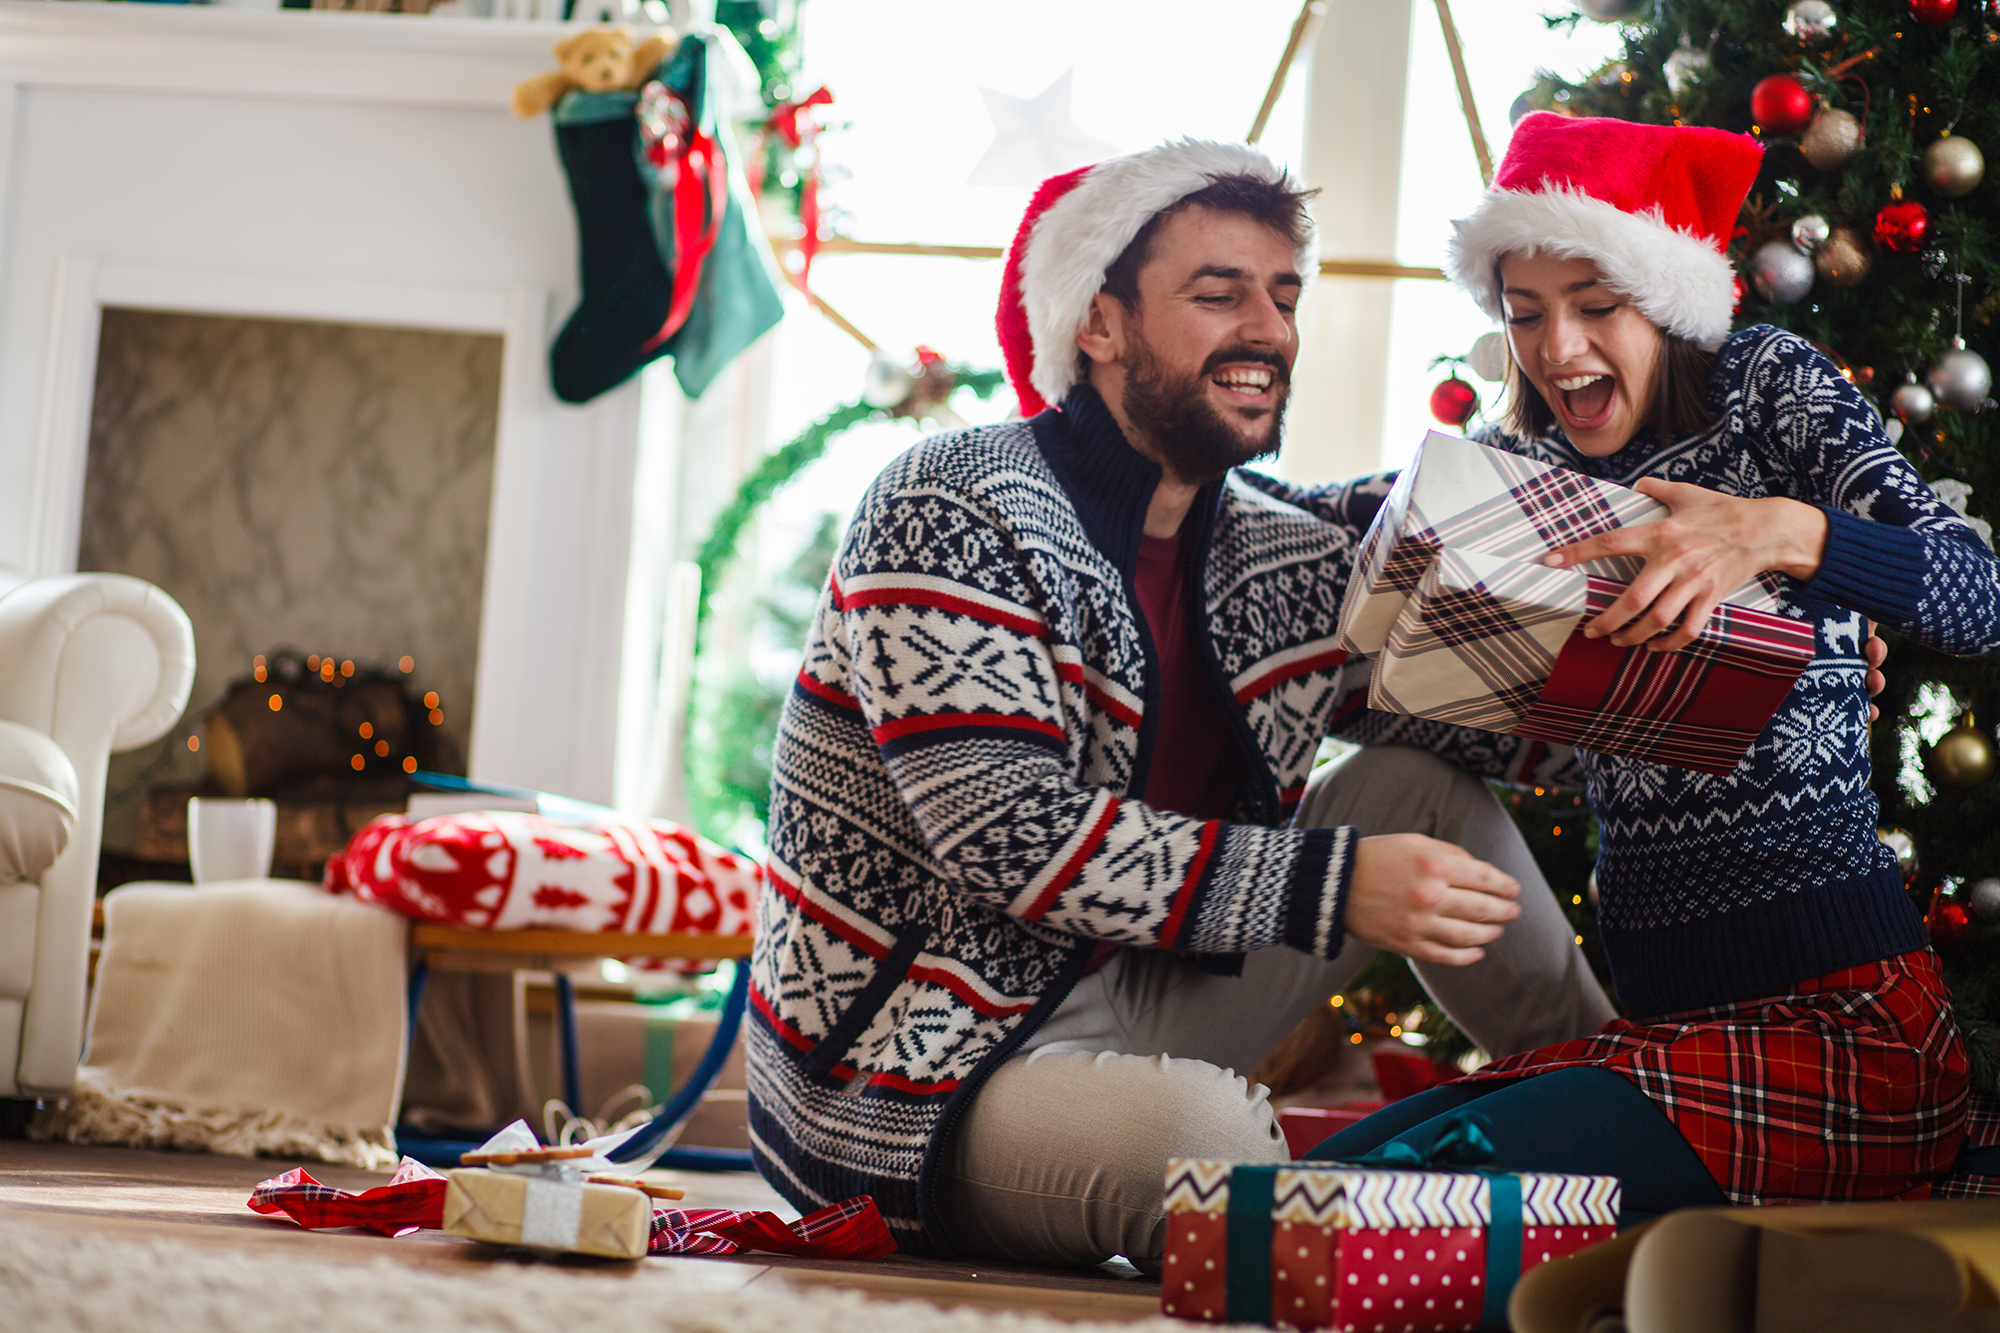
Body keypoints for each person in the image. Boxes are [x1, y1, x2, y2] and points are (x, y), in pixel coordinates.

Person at [745, 140, 1622, 1266]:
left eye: (1282, 294)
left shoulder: (1275, 549)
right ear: (1098, 325)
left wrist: (1730, 644)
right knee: (1214, 1146)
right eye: (1218, 294)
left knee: (1418, 792)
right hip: (923, 1064)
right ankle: (1326, 1223)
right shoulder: (949, 503)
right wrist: (1339, 881)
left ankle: (1618, 1119)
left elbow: (1497, 726)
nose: (1267, 328)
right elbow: (1012, 838)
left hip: (1148, 996)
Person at [1313, 112, 2000, 1221]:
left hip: (1846, 1041)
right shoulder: (1522, 474)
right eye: (1523, 314)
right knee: (1303, 1186)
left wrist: (1778, 533)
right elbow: (1340, 556)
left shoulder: (1764, 388)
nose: (1556, 349)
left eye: (1595, 306)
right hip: (1657, 1033)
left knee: (1385, 1200)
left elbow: (1980, 594)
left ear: (1666, 302)